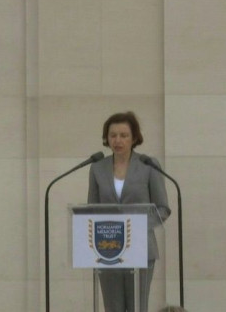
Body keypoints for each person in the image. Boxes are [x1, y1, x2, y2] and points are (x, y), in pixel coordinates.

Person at [87, 111, 171, 312]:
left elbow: (163, 208)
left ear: (134, 138)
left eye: (124, 135)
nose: (118, 140)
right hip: (107, 248)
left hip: (141, 247)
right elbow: (92, 209)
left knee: (137, 307)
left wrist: (136, 228)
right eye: (113, 135)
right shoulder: (98, 168)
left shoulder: (148, 165)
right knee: (113, 307)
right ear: (106, 138)